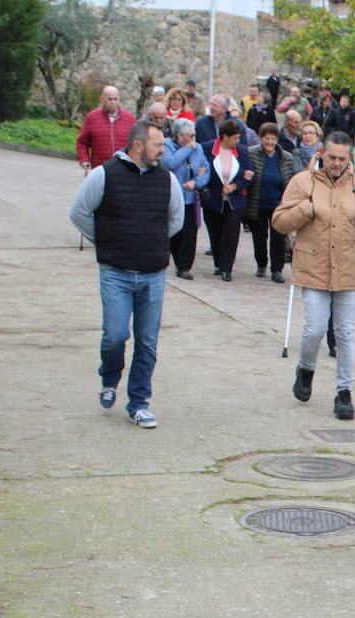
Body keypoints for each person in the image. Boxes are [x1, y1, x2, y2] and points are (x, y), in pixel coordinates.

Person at [68, 119, 184, 429]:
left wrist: (153, 242)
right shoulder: (103, 175)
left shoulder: (167, 179)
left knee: (147, 341)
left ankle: (139, 403)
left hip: (153, 274)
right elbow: (78, 212)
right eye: (158, 144)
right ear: (137, 146)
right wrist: (107, 241)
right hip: (115, 273)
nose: (163, 150)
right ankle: (109, 377)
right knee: (116, 335)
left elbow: (176, 220)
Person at [272, 130, 355, 421]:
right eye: (332, 157)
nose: (336, 163)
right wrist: (305, 208)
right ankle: (306, 368)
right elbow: (280, 222)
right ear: (322, 153)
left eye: (342, 158)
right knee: (314, 329)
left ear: (350, 158)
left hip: (348, 269)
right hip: (313, 268)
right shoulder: (303, 182)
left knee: (346, 333)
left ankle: (344, 391)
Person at [198, 118, 252, 282]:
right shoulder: (207, 148)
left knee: (231, 234)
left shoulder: (242, 151)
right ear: (224, 137)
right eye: (234, 138)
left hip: (234, 200)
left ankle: (227, 268)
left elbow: (249, 174)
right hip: (213, 199)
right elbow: (202, 171)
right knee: (215, 233)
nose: (237, 141)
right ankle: (218, 263)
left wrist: (236, 185)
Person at [245, 122, 294, 283]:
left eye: (273, 139)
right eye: (266, 139)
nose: (269, 143)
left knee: (278, 239)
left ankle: (277, 269)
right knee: (259, 237)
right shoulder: (252, 153)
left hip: (278, 205)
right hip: (258, 203)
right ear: (261, 139)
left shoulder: (286, 157)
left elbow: (290, 180)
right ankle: (261, 264)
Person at [163, 118, 209, 281]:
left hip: (191, 198)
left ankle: (185, 267)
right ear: (179, 135)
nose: (193, 139)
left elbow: (204, 170)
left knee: (190, 233)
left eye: (194, 135)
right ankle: (176, 261)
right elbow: (170, 163)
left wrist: (196, 183)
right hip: (173, 198)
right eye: (190, 135)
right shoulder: (167, 145)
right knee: (175, 231)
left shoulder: (199, 148)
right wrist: (187, 149)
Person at [76, 85, 136, 171]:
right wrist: (84, 160)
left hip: (123, 169)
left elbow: (136, 144)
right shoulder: (92, 118)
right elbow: (82, 142)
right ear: (102, 99)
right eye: (110, 99)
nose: (113, 102)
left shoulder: (130, 119)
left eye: (115, 99)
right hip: (99, 168)